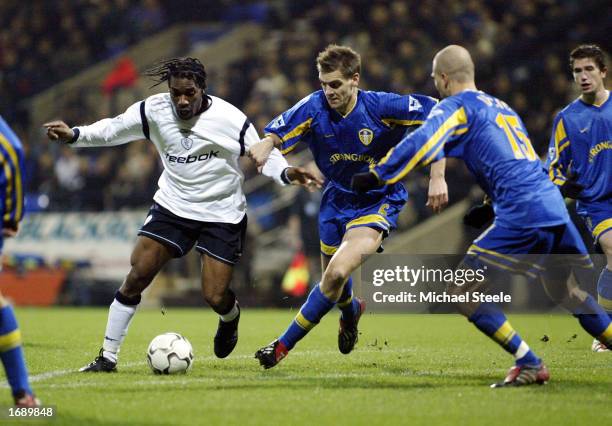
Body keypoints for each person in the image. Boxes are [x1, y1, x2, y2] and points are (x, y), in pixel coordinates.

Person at [351, 45, 612, 387]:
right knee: (566, 291)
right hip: (550, 205)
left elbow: (423, 140)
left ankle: (529, 362)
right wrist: (490, 205)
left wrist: (378, 175)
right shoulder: (501, 107)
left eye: (435, 79)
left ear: (444, 78)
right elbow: (518, 161)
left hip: (522, 210)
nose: (436, 85)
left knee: (461, 291)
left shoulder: (457, 107)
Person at [44, 57, 321, 372]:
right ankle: (107, 356)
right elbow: (114, 128)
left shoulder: (229, 118)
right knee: (137, 274)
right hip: (173, 206)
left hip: (222, 211)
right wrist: (75, 135)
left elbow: (262, 154)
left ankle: (229, 317)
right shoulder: (155, 110)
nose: (182, 100)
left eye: (189, 92)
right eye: (176, 93)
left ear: (202, 88)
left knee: (215, 295)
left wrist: (287, 174)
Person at [249, 44, 448, 368]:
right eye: (324, 84)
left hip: (378, 199)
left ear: (355, 79)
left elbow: (440, 114)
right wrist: (266, 143)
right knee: (335, 281)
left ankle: (281, 347)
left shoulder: (382, 105)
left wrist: (437, 175)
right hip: (335, 198)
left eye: (336, 84)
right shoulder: (314, 107)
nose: (329, 91)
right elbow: (276, 132)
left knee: (336, 272)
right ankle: (351, 310)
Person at [546, 44, 612, 352]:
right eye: (577, 71)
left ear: (603, 72)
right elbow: (553, 169)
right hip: (597, 203)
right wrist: (564, 185)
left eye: (589, 69)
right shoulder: (567, 118)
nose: (583, 76)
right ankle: (606, 333)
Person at [0, 115, 40, 406]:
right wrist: (11, 219)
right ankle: (23, 393)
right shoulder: (7, 143)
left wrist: (10, 219)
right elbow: (13, 153)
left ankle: (23, 392)